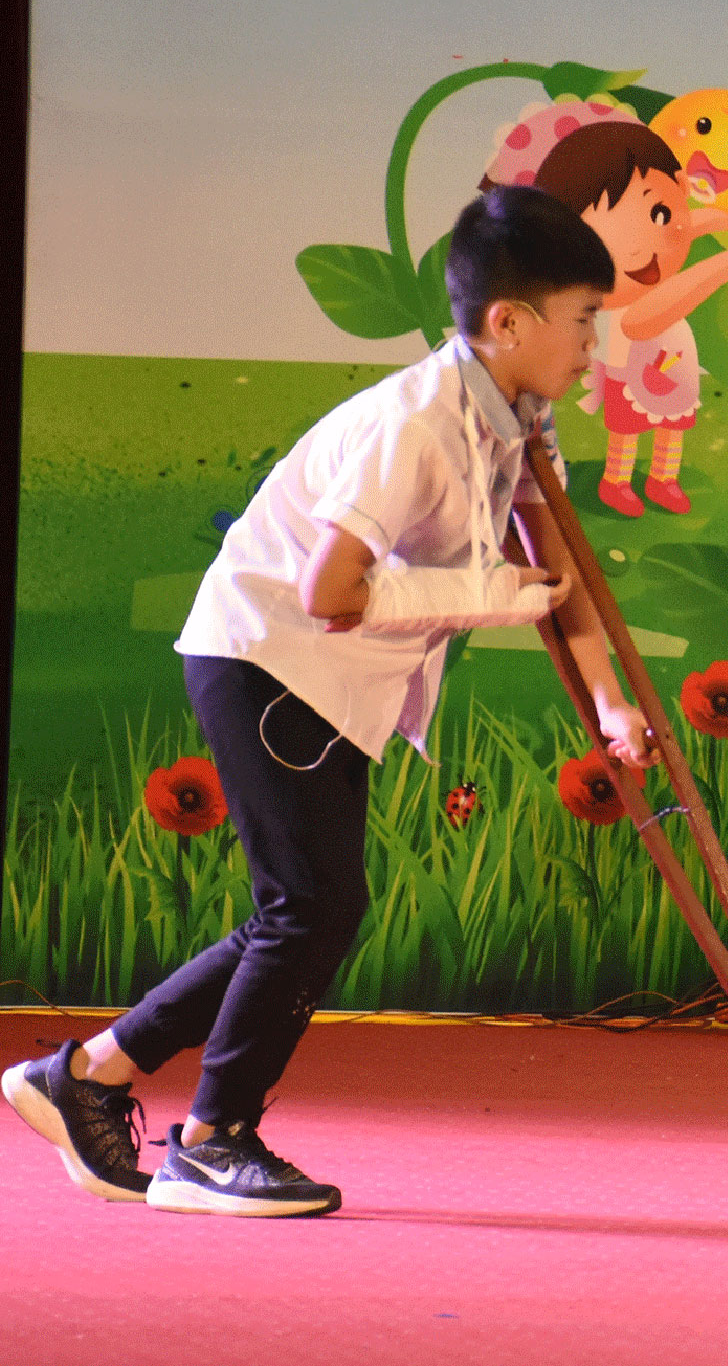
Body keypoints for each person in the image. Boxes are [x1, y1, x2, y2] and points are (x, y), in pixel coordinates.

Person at [4, 187, 655, 1218]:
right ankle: (210, 1141)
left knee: (303, 908)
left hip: (325, 674)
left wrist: (609, 705)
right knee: (311, 905)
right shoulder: (418, 425)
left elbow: (557, 571)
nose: (594, 349)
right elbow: (331, 591)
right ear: (509, 322)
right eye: (584, 322)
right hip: (269, 655)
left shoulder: (519, 421)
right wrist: (486, 595)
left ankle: (85, 1076)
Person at [525, 118, 728, 517]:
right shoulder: (624, 306)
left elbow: (670, 235)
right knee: (627, 429)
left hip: (672, 358)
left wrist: (696, 223)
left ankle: (663, 479)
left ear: (678, 187)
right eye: (605, 240)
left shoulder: (653, 255)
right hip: (632, 365)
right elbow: (654, 314)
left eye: (658, 212)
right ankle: (616, 482)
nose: (640, 251)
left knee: (672, 425)